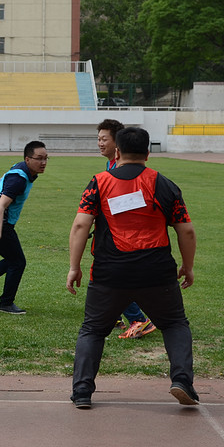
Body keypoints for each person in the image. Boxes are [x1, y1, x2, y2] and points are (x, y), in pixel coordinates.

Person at [66, 126, 199, 409]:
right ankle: (182, 381)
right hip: (157, 271)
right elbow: (185, 231)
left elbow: (81, 224)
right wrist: (188, 267)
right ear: (148, 153)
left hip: (109, 273)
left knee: (93, 330)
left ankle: (81, 392)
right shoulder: (165, 184)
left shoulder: (99, 182)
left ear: (117, 152)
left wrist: (73, 266)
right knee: (174, 324)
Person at [0, 140, 48, 314]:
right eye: (39, 158)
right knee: (18, 262)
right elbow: (1, 206)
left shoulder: (23, 170)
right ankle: (5, 303)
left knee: (14, 260)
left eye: (46, 158)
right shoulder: (18, 180)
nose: (43, 163)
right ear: (28, 159)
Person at [98, 118, 156, 339]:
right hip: (113, 232)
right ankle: (113, 314)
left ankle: (138, 318)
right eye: (98, 139)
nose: (100, 143)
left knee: (117, 276)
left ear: (118, 144)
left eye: (104, 139)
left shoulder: (126, 169)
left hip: (125, 235)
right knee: (110, 274)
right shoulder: (111, 165)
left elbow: (134, 200)